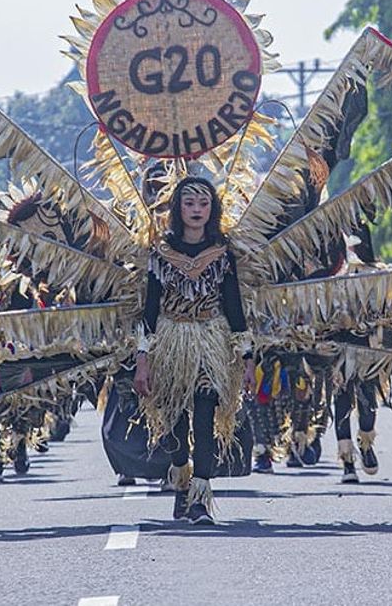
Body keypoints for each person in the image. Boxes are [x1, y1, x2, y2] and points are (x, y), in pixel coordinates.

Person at [135, 176, 254, 525]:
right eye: (189, 204)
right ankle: (180, 477)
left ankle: (200, 499)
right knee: (174, 422)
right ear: (177, 209)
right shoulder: (161, 253)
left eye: (203, 204)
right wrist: (142, 359)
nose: (197, 210)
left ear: (212, 209)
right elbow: (150, 310)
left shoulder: (222, 254)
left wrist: (247, 357)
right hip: (170, 342)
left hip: (210, 342)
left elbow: (234, 308)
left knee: (204, 417)